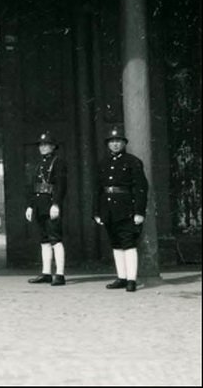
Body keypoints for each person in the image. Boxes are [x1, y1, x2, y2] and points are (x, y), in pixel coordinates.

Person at [93, 125, 148, 292]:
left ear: (124, 143)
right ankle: (121, 277)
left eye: (118, 141)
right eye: (112, 141)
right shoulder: (103, 163)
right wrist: (96, 211)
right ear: (108, 144)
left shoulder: (133, 161)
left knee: (128, 243)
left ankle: (131, 279)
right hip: (108, 208)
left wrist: (139, 211)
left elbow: (141, 188)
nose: (115, 144)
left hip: (126, 208)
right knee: (115, 243)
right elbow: (97, 189)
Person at [25, 131, 67, 286]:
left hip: (50, 204)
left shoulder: (58, 162)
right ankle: (46, 272)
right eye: (41, 145)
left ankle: (60, 274)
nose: (43, 148)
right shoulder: (39, 164)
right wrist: (30, 205)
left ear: (53, 146)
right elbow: (34, 187)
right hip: (39, 204)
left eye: (46, 145)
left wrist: (56, 204)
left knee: (55, 239)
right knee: (44, 240)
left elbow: (60, 186)